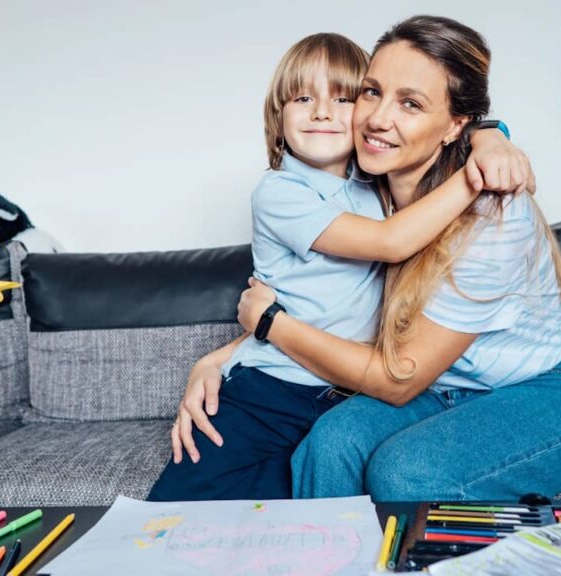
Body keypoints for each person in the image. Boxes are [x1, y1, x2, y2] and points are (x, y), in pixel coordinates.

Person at [235, 15, 561, 501]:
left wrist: (271, 323)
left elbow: (396, 380)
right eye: (372, 92)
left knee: (403, 474)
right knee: (327, 446)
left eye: (410, 104)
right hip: (439, 388)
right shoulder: (364, 186)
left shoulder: (493, 216)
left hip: (539, 391)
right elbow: (317, 294)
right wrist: (223, 360)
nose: (378, 119)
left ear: (455, 125)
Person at [147, 31, 533, 501]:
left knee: (289, 513)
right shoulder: (280, 193)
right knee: (179, 513)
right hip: (271, 389)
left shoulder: (375, 185)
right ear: (278, 116)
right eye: (303, 98)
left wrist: (491, 136)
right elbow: (390, 243)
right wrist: (477, 177)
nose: (322, 112)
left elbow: (447, 123)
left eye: (343, 98)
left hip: (343, 393)